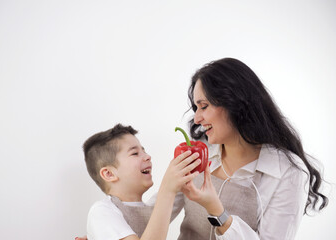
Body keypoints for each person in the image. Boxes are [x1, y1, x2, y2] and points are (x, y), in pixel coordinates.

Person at [175, 57, 329, 239]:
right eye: (196, 108)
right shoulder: (199, 154)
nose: (197, 118)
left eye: (204, 106)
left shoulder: (288, 172)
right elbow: (152, 214)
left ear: (234, 102)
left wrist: (217, 211)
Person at [81, 123, 201, 240]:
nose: (148, 156)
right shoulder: (102, 211)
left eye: (144, 151)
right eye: (135, 153)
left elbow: (176, 191)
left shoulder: (151, 209)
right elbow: (167, 194)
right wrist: (168, 190)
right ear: (109, 174)